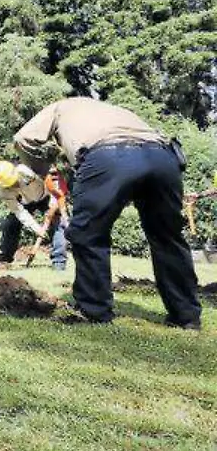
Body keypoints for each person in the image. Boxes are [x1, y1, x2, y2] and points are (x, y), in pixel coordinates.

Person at [14, 98, 201, 329]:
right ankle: (186, 316)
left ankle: (94, 310)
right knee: (168, 237)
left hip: (109, 156)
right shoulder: (115, 110)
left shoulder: (60, 107)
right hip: (163, 158)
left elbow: (23, 138)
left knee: (88, 233)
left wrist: (41, 171)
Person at [0, 161, 68, 271]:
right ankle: (5, 259)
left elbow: (51, 178)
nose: (14, 185)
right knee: (10, 224)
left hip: (46, 196)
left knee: (58, 223)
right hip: (25, 203)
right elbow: (19, 212)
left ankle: (59, 262)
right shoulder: (3, 192)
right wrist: (37, 229)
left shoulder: (26, 170)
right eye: (10, 185)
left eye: (14, 182)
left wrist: (54, 201)